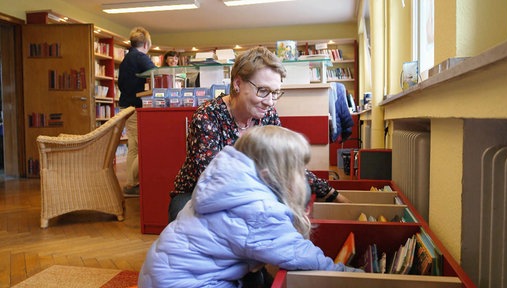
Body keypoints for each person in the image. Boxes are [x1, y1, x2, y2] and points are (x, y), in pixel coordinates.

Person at [138, 126, 363, 288]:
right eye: (298, 169)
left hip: (162, 276)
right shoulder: (260, 210)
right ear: (271, 175)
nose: (302, 176)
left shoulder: (227, 182)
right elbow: (299, 254)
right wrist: (352, 275)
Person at [168, 46, 350, 222]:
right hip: (198, 192)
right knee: (185, 214)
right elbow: (212, 178)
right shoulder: (207, 115)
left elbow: (287, 162)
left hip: (254, 188)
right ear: (237, 83)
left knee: (302, 189)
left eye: (275, 93)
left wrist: (333, 195)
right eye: (263, 91)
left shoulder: (268, 115)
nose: (270, 102)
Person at [118, 27, 156, 196]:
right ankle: (132, 184)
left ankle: (131, 183)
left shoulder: (127, 58)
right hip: (135, 107)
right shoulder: (140, 57)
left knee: (134, 146)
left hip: (126, 106)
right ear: (146, 43)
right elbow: (157, 72)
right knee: (143, 146)